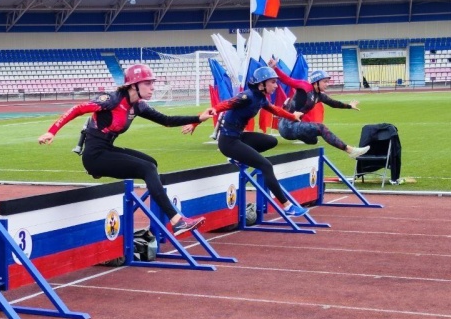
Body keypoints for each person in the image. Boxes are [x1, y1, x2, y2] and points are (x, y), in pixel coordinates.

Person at [38, 64, 215, 235]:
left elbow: (166, 120)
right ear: (133, 86)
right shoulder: (111, 100)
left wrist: (198, 118)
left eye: (152, 83)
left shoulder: (138, 105)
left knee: (151, 163)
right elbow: (77, 109)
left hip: (107, 149)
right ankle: (177, 220)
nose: (152, 87)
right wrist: (51, 132)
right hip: (95, 156)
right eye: (147, 83)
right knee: (147, 168)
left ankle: (163, 217)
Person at [187, 66, 308, 217]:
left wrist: (292, 116)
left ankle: (237, 157)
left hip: (239, 137)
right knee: (266, 166)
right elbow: (218, 107)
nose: (276, 86)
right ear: (261, 84)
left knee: (271, 141)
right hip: (228, 142)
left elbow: (276, 110)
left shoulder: (261, 99)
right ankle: (287, 206)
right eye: (273, 82)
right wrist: (195, 122)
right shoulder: (246, 97)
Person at [268, 59, 370, 159]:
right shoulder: (305, 86)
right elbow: (287, 80)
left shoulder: (319, 96)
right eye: (325, 81)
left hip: (295, 125)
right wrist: (275, 68)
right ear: (316, 81)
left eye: (328, 82)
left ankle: (309, 140)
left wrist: (349, 106)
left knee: (314, 140)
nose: (327, 84)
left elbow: (334, 103)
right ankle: (350, 150)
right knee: (321, 128)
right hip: (286, 125)